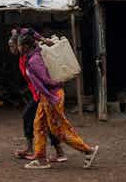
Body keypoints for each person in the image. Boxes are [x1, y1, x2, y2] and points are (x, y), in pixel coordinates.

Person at [17, 31, 99, 169]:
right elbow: (29, 31)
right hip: (47, 96)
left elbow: (45, 80)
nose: (18, 48)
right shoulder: (36, 53)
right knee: (39, 125)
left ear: (25, 46)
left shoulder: (33, 61)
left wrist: (53, 93)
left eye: (19, 45)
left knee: (59, 130)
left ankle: (88, 151)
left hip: (51, 96)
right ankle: (40, 158)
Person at [8, 30, 66, 162]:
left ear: (22, 45)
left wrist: (43, 39)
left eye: (13, 46)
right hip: (38, 94)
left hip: (43, 94)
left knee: (38, 119)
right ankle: (52, 151)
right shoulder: (23, 58)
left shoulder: (31, 59)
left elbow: (43, 79)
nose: (12, 49)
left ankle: (53, 152)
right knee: (37, 119)